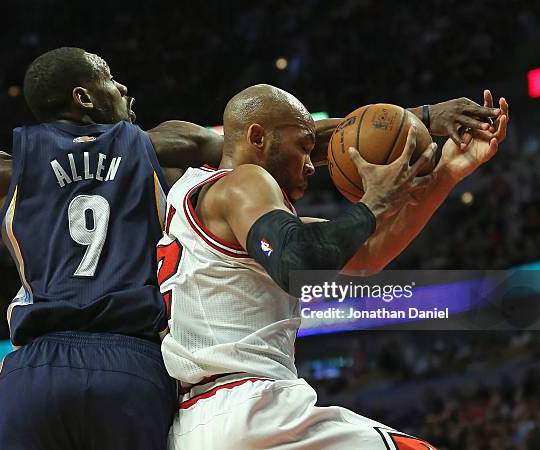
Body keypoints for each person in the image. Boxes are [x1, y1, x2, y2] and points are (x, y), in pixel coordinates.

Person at [0, 45, 501, 448]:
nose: (123, 86)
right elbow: (273, 138)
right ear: (84, 95)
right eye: (109, 77)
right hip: (133, 367)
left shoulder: (1, 169)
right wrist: (421, 117)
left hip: (35, 367)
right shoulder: (156, 147)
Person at [158, 84, 508, 449]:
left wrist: (447, 172)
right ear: (257, 137)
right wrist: (372, 203)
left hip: (194, 427)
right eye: (304, 148)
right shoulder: (245, 181)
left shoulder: (197, 196)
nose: (312, 164)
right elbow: (298, 265)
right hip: (253, 410)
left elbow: (366, 254)